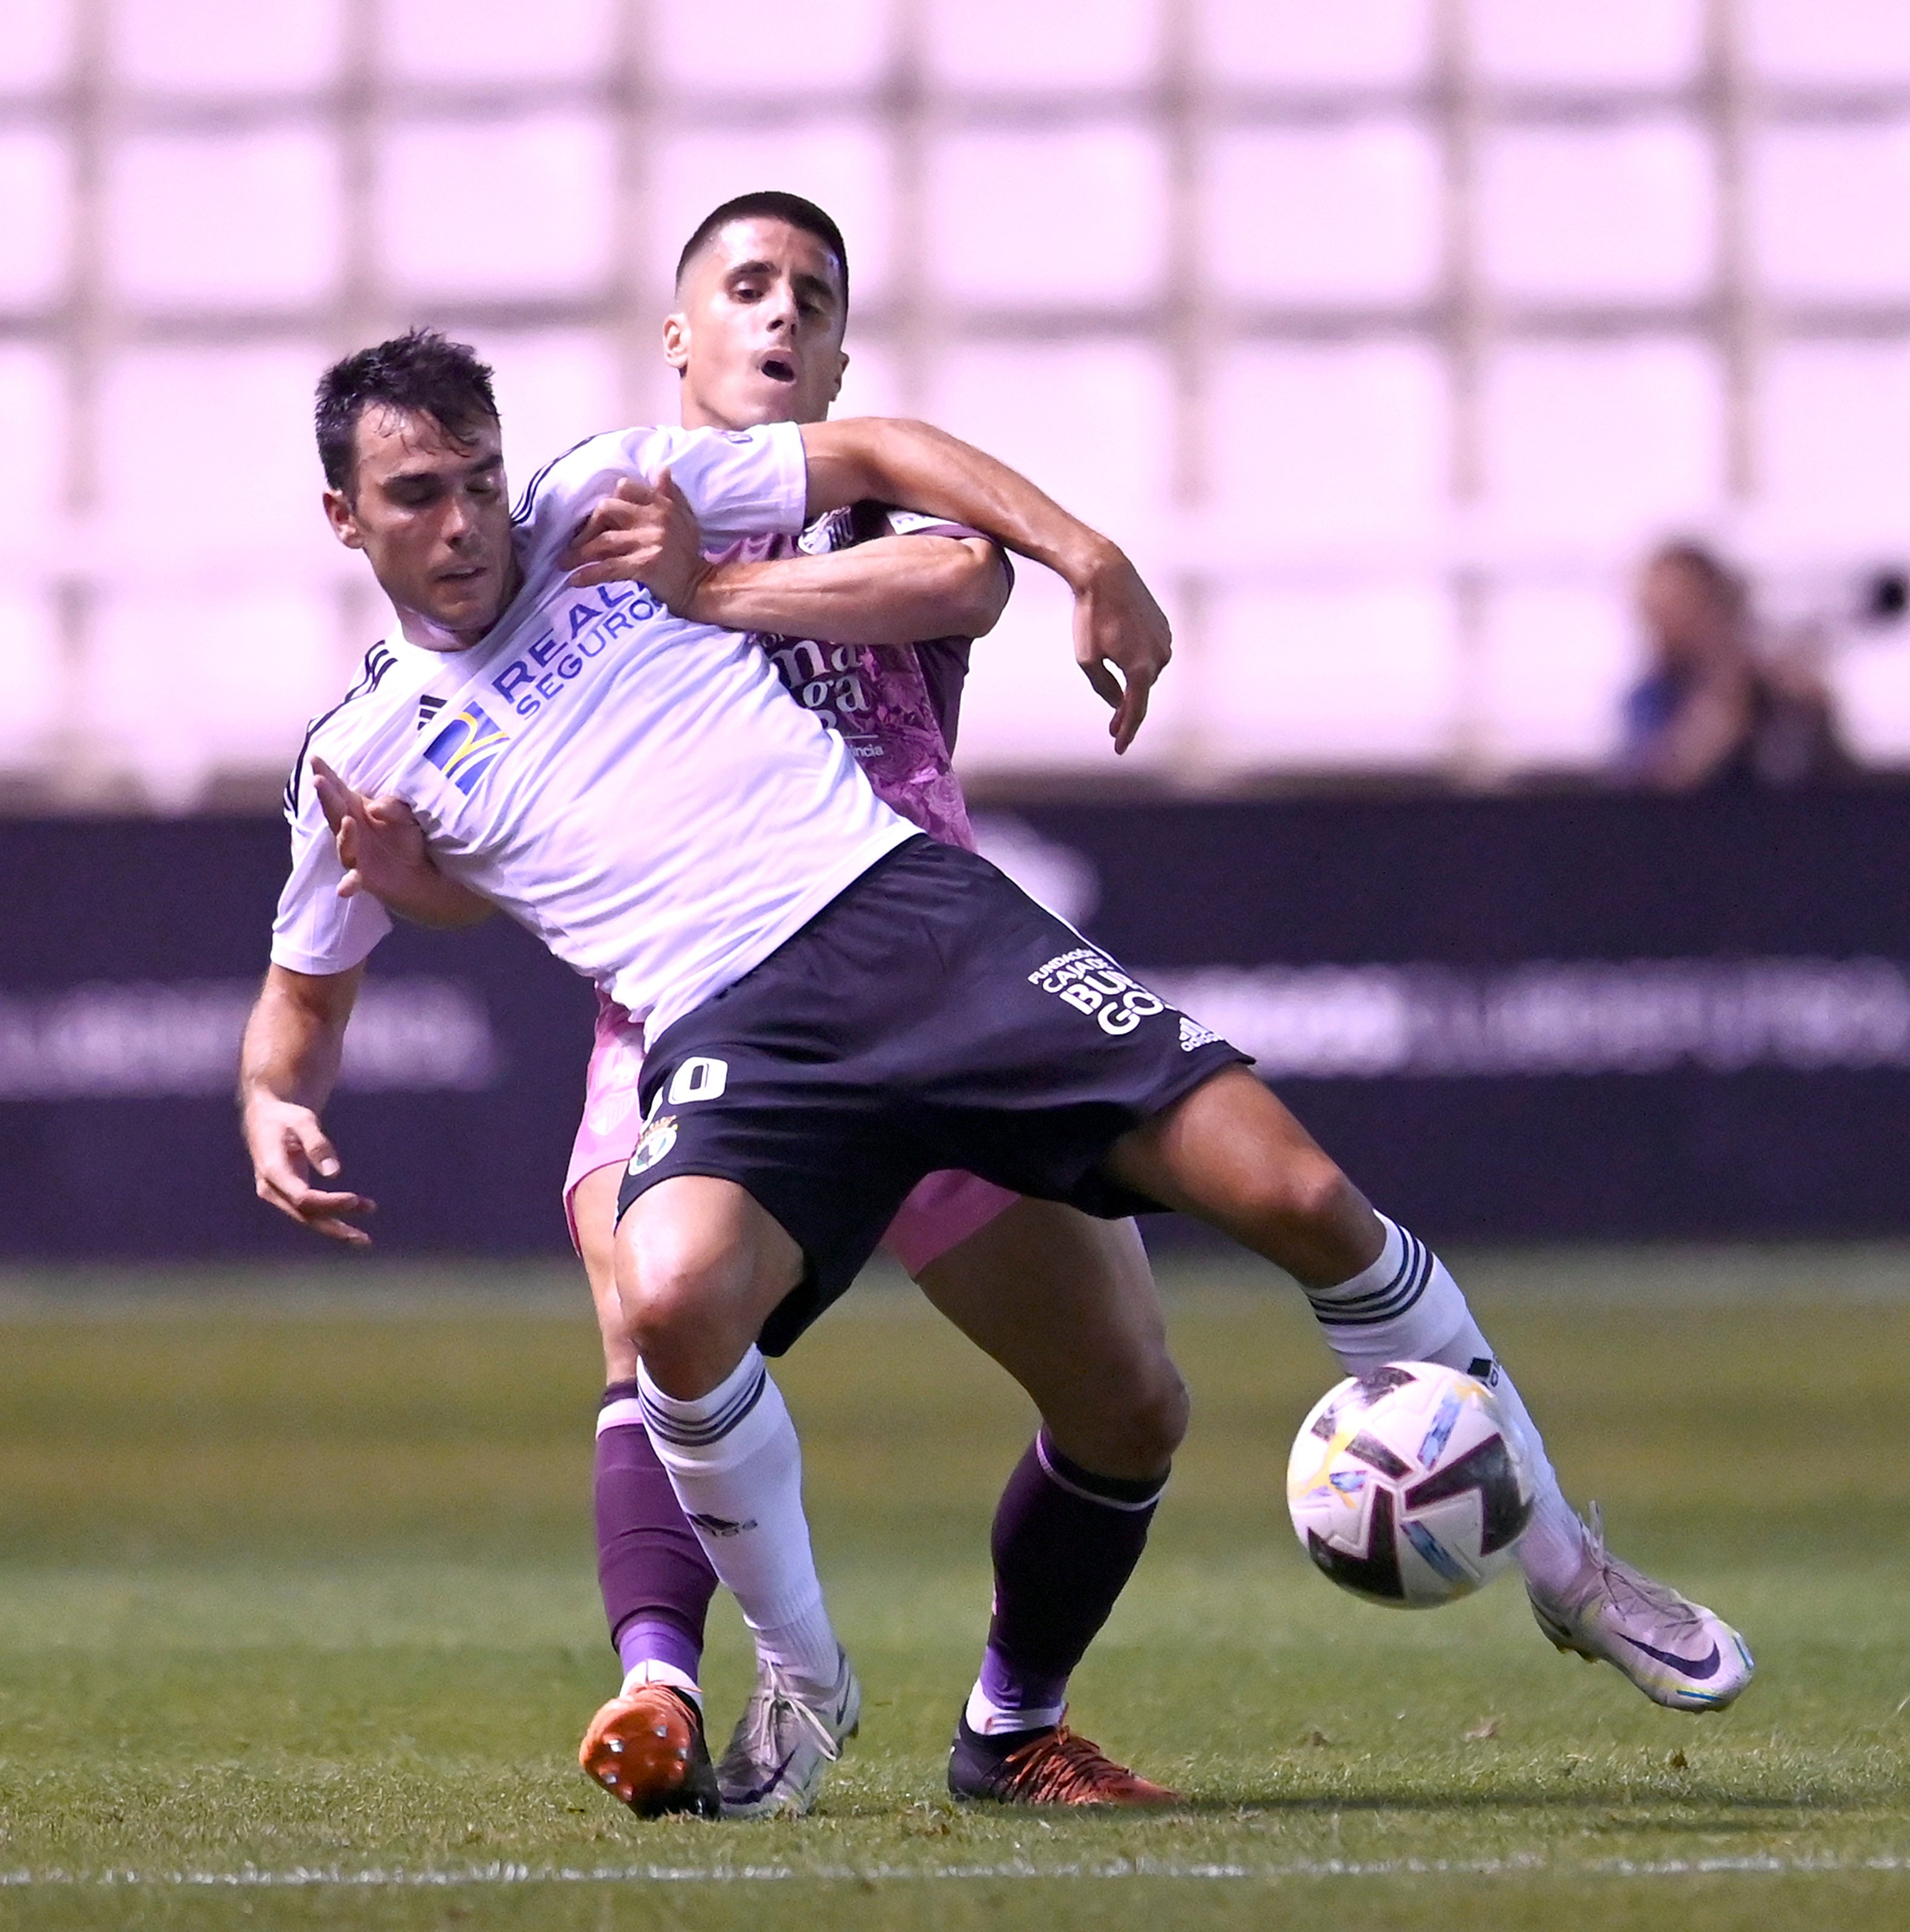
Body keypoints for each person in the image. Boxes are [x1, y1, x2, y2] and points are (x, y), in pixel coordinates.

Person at [243, 323, 1754, 1826]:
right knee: (669, 1303)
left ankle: (1565, 1568)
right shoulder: (369, 748)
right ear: (344, 519)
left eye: (480, 481)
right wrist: (276, 1098)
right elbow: (301, 999)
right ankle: (806, 1679)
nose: (464, 524)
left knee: (1294, 1194)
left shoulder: (604, 502)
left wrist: (1085, 553)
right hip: (731, 1026)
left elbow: (888, 452)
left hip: (920, 922)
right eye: (419, 494)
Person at [310, 193, 1196, 1819]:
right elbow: (485, 851)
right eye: (745, 287)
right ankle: (662, 1684)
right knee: (650, 1319)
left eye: (812, 295)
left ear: (843, 350)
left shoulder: (869, 510)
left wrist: (718, 591)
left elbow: (957, 585)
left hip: (938, 997)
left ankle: (1011, 1724)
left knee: (1129, 1401)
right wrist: (407, 872)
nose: (779, 315)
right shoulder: (579, 532)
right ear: (679, 338)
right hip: (691, 1022)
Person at [1618, 540, 1853, 790]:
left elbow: (1835, 776)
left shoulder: (1772, 685)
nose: (1661, 625)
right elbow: (1659, 780)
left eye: (1677, 606)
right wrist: (1723, 703)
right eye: (1654, 610)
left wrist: (1807, 704)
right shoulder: (1651, 697)